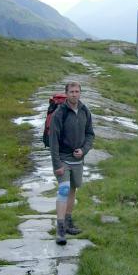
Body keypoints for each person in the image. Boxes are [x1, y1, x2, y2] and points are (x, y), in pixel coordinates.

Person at [49, 81, 95, 245]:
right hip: (62, 159)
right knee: (64, 189)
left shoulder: (84, 111)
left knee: (73, 189)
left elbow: (90, 134)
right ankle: (60, 230)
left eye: (77, 91)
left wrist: (84, 150)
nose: (74, 94)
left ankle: (68, 222)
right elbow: (53, 141)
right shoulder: (59, 114)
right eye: (72, 92)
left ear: (80, 93)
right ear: (66, 94)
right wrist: (57, 165)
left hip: (78, 160)